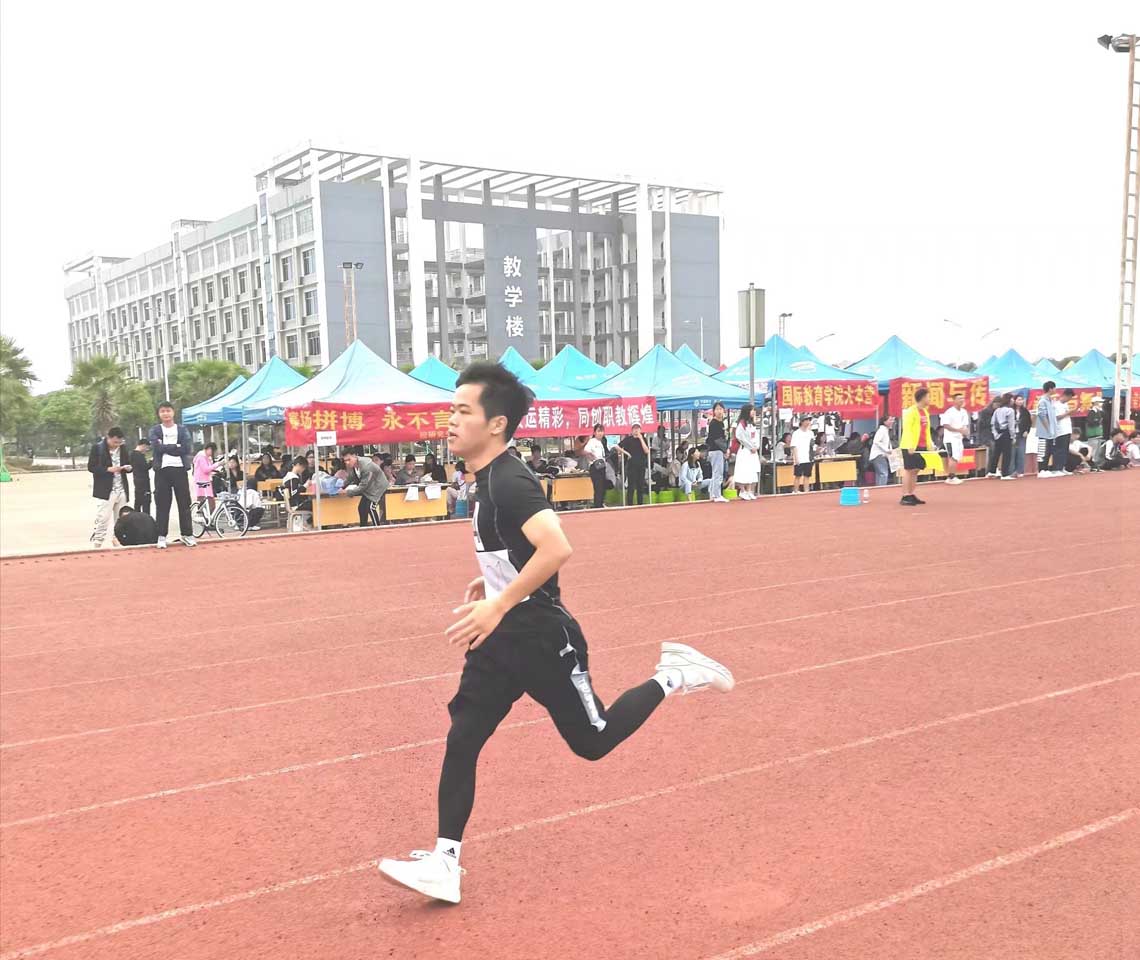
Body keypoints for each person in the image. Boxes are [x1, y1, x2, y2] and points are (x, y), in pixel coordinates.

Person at [377, 361, 734, 904]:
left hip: (543, 638)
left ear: (496, 424)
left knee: (593, 741)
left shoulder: (510, 481)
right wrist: (493, 580)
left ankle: (673, 674)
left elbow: (557, 546)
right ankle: (445, 862)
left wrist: (500, 600)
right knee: (463, 735)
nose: (450, 421)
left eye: (462, 411)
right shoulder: (485, 480)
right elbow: (521, 548)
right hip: (500, 638)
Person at [147, 402, 196, 548]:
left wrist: (166, 447)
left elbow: (186, 448)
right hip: (162, 471)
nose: (165, 414)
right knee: (162, 504)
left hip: (180, 469)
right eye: (162, 411)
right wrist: (175, 446)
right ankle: (161, 536)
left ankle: (187, 534)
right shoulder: (155, 430)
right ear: (159, 414)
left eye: (168, 411)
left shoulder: (182, 430)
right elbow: (157, 447)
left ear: (173, 412)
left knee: (184, 504)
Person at [87, 426, 132, 548]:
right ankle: (97, 542)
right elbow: (91, 467)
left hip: (121, 489)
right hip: (106, 490)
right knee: (103, 518)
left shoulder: (123, 448)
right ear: (108, 438)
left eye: (119, 442)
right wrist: (108, 469)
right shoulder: (98, 448)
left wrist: (128, 468)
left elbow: (128, 463)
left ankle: (117, 541)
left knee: (121, 520)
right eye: (115, 442)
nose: (117, 445)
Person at [899, 387, 933, 506]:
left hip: (921, 445)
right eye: (928, 397)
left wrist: (929, 444)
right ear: (922, 398)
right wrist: (910, 445)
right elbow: (907, 429)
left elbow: (926, 430)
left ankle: (911, 493)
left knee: (916, 470)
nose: (929, 399)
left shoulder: (925, 412)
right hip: (910, 445)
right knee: (909, 470)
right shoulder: (911, 411)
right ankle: (905, 495)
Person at [342, 450, 388, 526]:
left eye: (349, 459)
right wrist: (341, 486)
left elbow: (364, 485)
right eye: (345, 460)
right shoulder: (354, 466)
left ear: (355, 456)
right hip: (369, 488)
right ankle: (363, 528)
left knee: (370, 508)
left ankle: (377, 528)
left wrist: (348, 492)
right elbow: (350, 477)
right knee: (362, 508)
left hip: (378, 487)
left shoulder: (366, 466)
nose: (347, 462)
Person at [940, 393, 971, 485]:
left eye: (962, 398)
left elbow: (965, 425)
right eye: (959, 398)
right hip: (950, 438)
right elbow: (945, 425)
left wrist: (965, 431)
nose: (961, 400)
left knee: (957, 457)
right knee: (953, 457)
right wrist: (958, 430)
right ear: (954, 401)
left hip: (959, 438)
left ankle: (952, 476)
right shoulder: (949, 412)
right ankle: (951, 477)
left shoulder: (964, 412)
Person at [732, 403, 761, 500]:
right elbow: (741, 437)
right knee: (743, 470)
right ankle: (742, 490)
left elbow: (756, 436)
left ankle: (749, 490)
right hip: (745, 450)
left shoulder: (752, 424)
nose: (753, 412)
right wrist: (750, 446)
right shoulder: (741, 424)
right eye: (752, 410)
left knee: (751, 470)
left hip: (753, 451)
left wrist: (756, 446)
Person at [618, 423, 650, 505]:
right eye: (634, 429)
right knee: (631, 486)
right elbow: (617, 446)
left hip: (641, 465)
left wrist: (641, 439)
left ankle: (640, 504)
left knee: (640, 486)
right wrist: (626, 453)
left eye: (638, 429)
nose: (636, 430)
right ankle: (630, 504)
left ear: (640, 430)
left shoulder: (644, 439)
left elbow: (647, 451)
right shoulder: (628, 439)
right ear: (631, 430)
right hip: (631, 466)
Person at [1034, 382, 1060, 477]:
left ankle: (1045, 468)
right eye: (1054, 388)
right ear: (1050, 389)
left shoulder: (1050, 400)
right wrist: (1048, 428)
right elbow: (1042, 415)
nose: (1055, 390)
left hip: (1051, 430)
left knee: (1048, 450)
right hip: (1044, 430)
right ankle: (1041, 470)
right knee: (1042, 449)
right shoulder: (1043, 401)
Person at [705, 402, 729, 503]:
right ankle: (716, 494)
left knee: (717, 472)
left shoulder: (721, 423)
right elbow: (717, 439)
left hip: (718, 450)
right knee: (717, 473)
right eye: (717, 409)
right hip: (716, 450)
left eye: (721, 409)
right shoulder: (714, 423)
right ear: (714, 411)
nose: (719, 411)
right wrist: (725, 450)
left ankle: (713, 493)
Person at [990, 394, 1018, 480]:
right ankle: (1005, 473)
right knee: (1007, 454)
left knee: (996, 453)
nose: (1013, 401)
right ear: (1009, 400)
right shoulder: (1010, 410)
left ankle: (992, 471)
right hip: (1006, 433)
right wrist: (1013, 436)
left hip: (998, 433)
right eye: (1012, 399)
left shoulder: (997, 410)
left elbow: (992, 423)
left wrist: (995, 434)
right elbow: (1011, 425)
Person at [192, 443, 222, 515]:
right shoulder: (201, 457)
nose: (212, 454)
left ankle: (206, 514)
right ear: (209, 449)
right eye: (212, 451)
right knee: (208, 498)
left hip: (204, 479)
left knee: (205, 498)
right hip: (202, 480)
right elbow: (205, 469)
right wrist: (217, 464)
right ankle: (206, 515)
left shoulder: (205, 457)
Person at [583, 425, 609, 508]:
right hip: (595, 466)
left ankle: (600, 504)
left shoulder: (601, 442)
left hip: (602, 466)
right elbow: (585, 451)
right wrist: (591, 457)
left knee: (602, 487)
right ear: (594, 432)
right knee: (598, 487)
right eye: (598, 431)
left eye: (602, 431)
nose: (600, 433)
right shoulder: (592, 441)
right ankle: (597, 506)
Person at [1051, 389, 1076, 475]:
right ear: (1065, 395)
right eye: (1069, 398)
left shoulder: (1066, 405)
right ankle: (1056, 468)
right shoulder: (1056, 405)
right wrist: (1068, 413)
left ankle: (1062, 467)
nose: (1069, 400)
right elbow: (1057, 417)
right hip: (1060, 431)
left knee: (1065, 450)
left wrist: (1070, 413)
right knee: (1059, 450)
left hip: (1067, 429)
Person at [790, 416, 815, 494]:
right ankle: (795, 491)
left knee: (807, 476)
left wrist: (813, 455)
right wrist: (796, 458)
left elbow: (812, 445)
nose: (808, 422)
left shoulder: (811, 433)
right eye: (806, 420)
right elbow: (793, 446)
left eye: (809, 420)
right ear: (802, 422)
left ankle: (806, 492)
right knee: (798, 475)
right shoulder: (796, 433)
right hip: (799, 457)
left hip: (808, 457)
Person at [868, 417, 894, 486]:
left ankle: (879, 488)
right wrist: (887, 450)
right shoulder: (882, 430)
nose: (892, 421)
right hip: (879, 454)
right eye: (890, 420)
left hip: (878, 455)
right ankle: (882, 489)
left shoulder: (884, 430)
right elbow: (876, 441)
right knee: (883, 473)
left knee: (880, 474)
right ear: (884, 422)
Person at [130, 438, 152, 514]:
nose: (147, 450)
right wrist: (151, 461)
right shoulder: (138, 455)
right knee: (146, 501)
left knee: (138, 500)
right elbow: (145, 467)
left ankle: (137, 516)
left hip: (137, 480)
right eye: (147, 448)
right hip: (143, 482)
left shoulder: (132, 454)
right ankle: (145, 517)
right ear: (143, 445)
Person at [978, 397, 999, 473]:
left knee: (997, 450)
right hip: (986, 434)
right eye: (997, 404)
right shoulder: (985, 412)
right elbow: (981, 425)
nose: (997, 406)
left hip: (996, 434)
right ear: (993, 403)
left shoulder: (998, 412)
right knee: (992, 448)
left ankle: (995, 468)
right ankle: (990, 470)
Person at [1012, 394, 1031, 477]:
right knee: (1013, 452)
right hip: (1012, 434)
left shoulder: (1025, 411)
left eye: (1021, 400)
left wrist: (1027, 431)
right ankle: (1012, 470)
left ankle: (1020, 471)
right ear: (1015, 401)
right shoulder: (1011, 410)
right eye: (1019, 399)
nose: (1020, 401)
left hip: (1022, 434)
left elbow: (1029, 422)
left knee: (1021, 452)